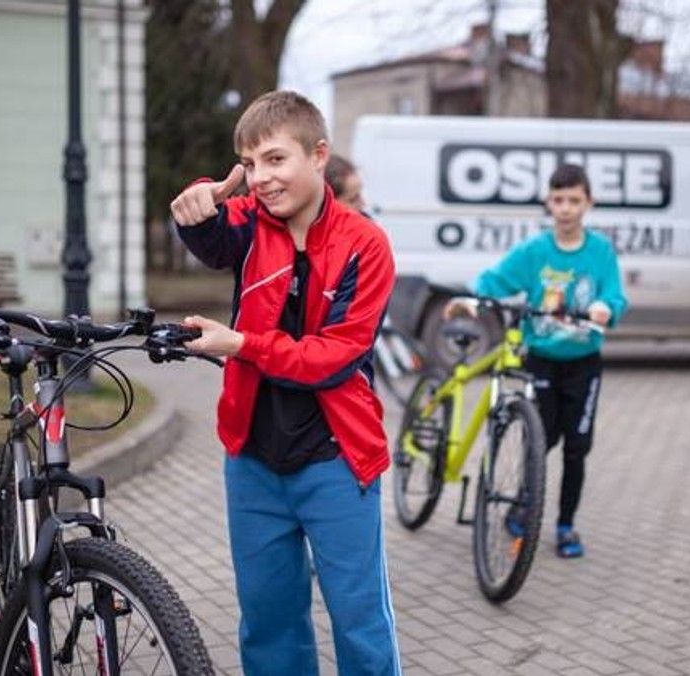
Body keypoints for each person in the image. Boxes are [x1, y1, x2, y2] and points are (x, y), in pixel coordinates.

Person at [169, 90, 401, 676]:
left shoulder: (365, 244)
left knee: (360, 624)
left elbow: (337, 357)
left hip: (337, 460)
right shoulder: (249, 221)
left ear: (318, 155)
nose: (261, 178)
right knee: (269, 623)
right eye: (249, 165)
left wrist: (241, 345)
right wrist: (199, 204)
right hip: (253, 461)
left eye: (275, 159)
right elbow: (215, 237)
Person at [444, 163, 628, 559]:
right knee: (540, 442)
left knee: (577, 446)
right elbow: (495, 279)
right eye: (558, 200)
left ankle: (565, 526)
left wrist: (605, 307)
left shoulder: (600, 252)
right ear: (548, 201)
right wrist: (473, 299)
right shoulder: (534, 252)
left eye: (574, 200)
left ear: (588, 203)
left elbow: (615, 296)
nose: (565, 208)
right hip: (541, 361)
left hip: (584, 364)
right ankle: (523, 506)